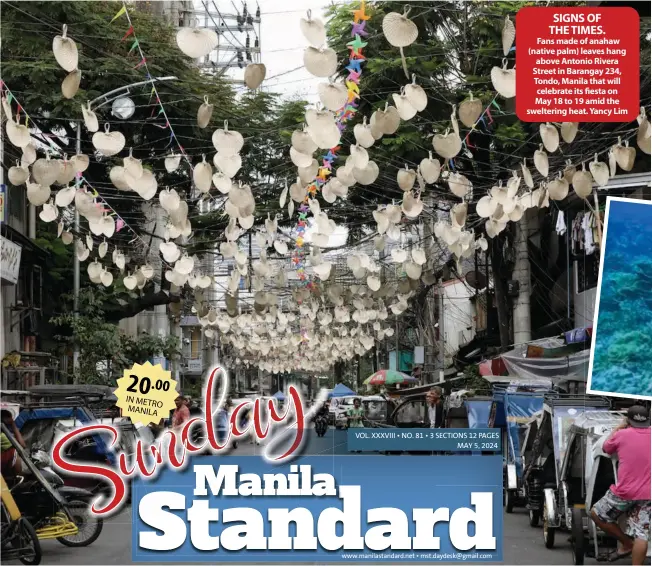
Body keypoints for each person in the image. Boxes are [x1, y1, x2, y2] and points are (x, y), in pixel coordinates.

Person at [591, 405, 651, 565]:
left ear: (628, 420)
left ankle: (626, 543)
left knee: (597, 513)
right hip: (648, 493)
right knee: (641, 534)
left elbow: (606, 447)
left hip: (624, 492)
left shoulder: (622, 435)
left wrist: (618, 427)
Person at [1, 410, 26, 478]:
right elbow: (22, 445)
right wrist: (14, 426)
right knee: (14, 452)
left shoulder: (5, 434)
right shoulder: (3, 436)